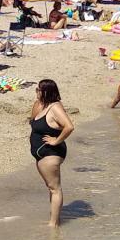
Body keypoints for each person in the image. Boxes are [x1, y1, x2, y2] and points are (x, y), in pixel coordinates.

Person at [29, 80, 73, 228]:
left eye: (39, 90)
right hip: (41, 153)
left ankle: (53, 225)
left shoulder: (55, 107)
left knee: (55, 188)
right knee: (51, 187)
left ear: (46, 91)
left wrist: (56, 140)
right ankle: (54, 220)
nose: (36, 92)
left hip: (51, 152)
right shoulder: (41, 105)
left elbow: (69, 126)